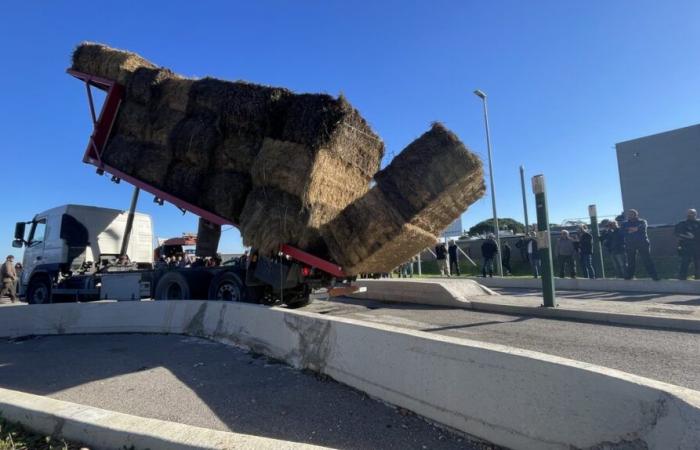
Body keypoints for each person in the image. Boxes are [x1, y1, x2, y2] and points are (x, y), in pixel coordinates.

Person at [622, 209, 659, 280]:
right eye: (629, 214)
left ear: (636, 215)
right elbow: (622, 232)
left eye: (632, 214)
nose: (630, 215)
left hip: (642, 243)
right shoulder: (624, 224)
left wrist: (629, 230)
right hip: (630, 244)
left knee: (647, 260)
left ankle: (654, 276)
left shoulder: (642, 221)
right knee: (630, 261)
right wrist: (635, 229)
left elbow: (642, 228)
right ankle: (629, 276)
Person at [674, 208, 700, 280]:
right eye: (689, 213)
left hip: (698, 247)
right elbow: (677, 233)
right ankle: (682, 277)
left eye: (692, 213)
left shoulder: (698, 223)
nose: (691, 214)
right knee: (685, 262)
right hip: (686, 247)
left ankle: (698, 278)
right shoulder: (682, 223)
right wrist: (687, 236)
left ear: (696, 214)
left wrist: (694, 236)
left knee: (698, 263)